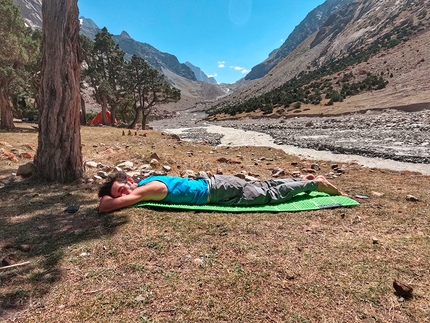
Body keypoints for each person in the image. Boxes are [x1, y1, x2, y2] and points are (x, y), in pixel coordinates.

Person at [98, 171, 345, 213]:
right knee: (265, 186)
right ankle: (303, 180)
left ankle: (315, 184)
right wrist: (111, 192)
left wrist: (109, 199)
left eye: (121, 189)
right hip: (218, 185)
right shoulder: (152, 179)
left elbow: (105, 206)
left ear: (131, 181)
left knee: (270, 196)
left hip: (219, 192)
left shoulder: (148, 188)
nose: (122, 196)